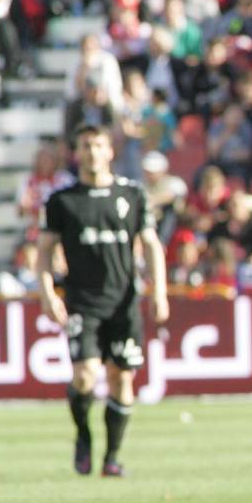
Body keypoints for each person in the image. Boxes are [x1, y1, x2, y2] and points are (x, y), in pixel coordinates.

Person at [36, 125, 169, 477]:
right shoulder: (62, 201)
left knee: (122, 380)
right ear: (76, 153)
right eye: (85, 146)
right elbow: (45, 251)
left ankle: (112, 457)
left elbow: (151, 244)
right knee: (84, 376)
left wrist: (159, 291)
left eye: (98, 145)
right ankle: (83, 435)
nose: (92, 152)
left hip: (123, 304)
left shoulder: (132, 195)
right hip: (82, 302)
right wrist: (48, 292)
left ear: (110, 151)